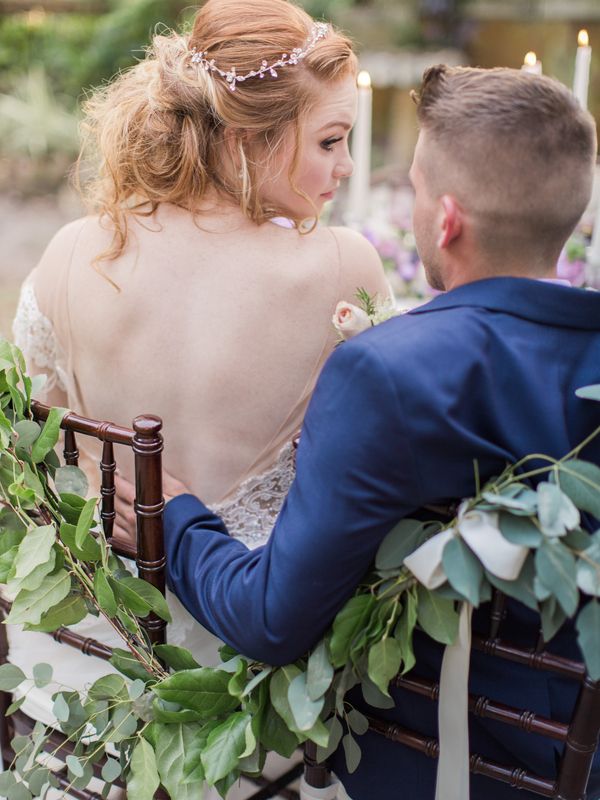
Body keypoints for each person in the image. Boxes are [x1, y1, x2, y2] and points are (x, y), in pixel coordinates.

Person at [155, 66, 600, 799]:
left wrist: (173, 513)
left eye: (417, 189)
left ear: (446, 219)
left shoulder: (387, 374)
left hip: (441, 767)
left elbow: (270, 620)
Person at [9, 0, 389, 792]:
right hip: (248, 702)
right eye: (329, 140)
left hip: (76, 677)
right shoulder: (345, 268)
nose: (346, 166)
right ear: (252, 140)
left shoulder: (75, 250)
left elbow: (30, 462)